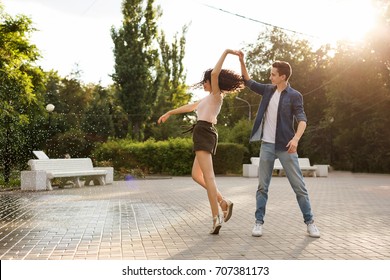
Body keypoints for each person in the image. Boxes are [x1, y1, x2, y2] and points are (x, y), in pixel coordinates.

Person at [158, 49, 244, 234]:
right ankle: (223, 202)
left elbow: (214, 73)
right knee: (197, 175)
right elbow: (190, 106)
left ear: (212, 82)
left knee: (209, 177)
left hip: (204, 131)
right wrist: (170, 112)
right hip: (203, 132)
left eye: (206, 81)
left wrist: (227, 52)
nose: (204, 83)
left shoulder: (216, 95)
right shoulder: (207, 99)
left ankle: (216, 216)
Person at [237, 50, 321, 238]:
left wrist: (296, 139)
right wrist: (242, 61)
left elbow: (302, 119)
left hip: (286, 147)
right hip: (267, 145)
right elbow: (248, 81)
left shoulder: (294, 95)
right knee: (262, 187)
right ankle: (258, 223)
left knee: (299, 187)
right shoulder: (267, 90)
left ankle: (310, 223)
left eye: (273, 74)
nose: (270, 76)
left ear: (283, 77)